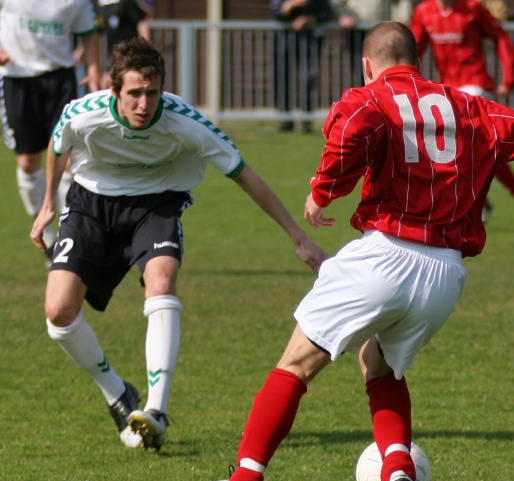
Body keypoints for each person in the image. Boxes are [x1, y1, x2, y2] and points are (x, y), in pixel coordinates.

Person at [187, 22, 514, 481]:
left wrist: (324, 188)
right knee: (379, 365)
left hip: (384, 254)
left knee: (295, 365)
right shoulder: (472, 106)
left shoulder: (371, 95)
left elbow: (352, 122)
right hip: (444, 274)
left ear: (367, 63)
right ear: (420, 63)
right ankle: (399, 473)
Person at [29, 37, 328, 452]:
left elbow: (246, 176)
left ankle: (156, 409)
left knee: (162, 282)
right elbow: (58, 144)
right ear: (114, 90)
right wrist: (47, 205)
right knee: (58, 312)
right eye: (133, 93)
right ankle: (117, 392)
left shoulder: (187, 122)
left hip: (156, 204)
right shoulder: (85, 113)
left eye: (152, 93)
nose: (143, 104)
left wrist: (298, 237)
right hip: (91, 205)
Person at [409, 0, 514, 228]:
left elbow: (499, 35)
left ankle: (480, 201)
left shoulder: (472, 8)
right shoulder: (424, 12)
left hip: (475, 85)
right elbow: (414, 48)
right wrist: (408, 80)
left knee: (464, 149)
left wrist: (510, 76)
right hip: (447, 88)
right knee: (478, 152)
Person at [0, 0, 100, 264]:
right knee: (28, 161)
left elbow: (89, 32)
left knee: (66, 157)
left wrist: (92, 71)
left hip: (61, 80)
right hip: (17, 80)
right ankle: (44, 232)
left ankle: (68, 235)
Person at [271, 0, 353, 132]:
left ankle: (306, 120)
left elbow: (326, 13)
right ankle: (284, 119)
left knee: (308, 79)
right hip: (284, 41)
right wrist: (289, 6)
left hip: (310, 42)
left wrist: (309, 19)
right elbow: (275, 14)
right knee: (283, 78)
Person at [96, 0, 153, 88]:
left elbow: (142, 23)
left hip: (130, 54)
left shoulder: (126, 3)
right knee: (107, 83)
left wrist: (145, 49)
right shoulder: (100, 5)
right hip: (113, 56)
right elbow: (96, 33)